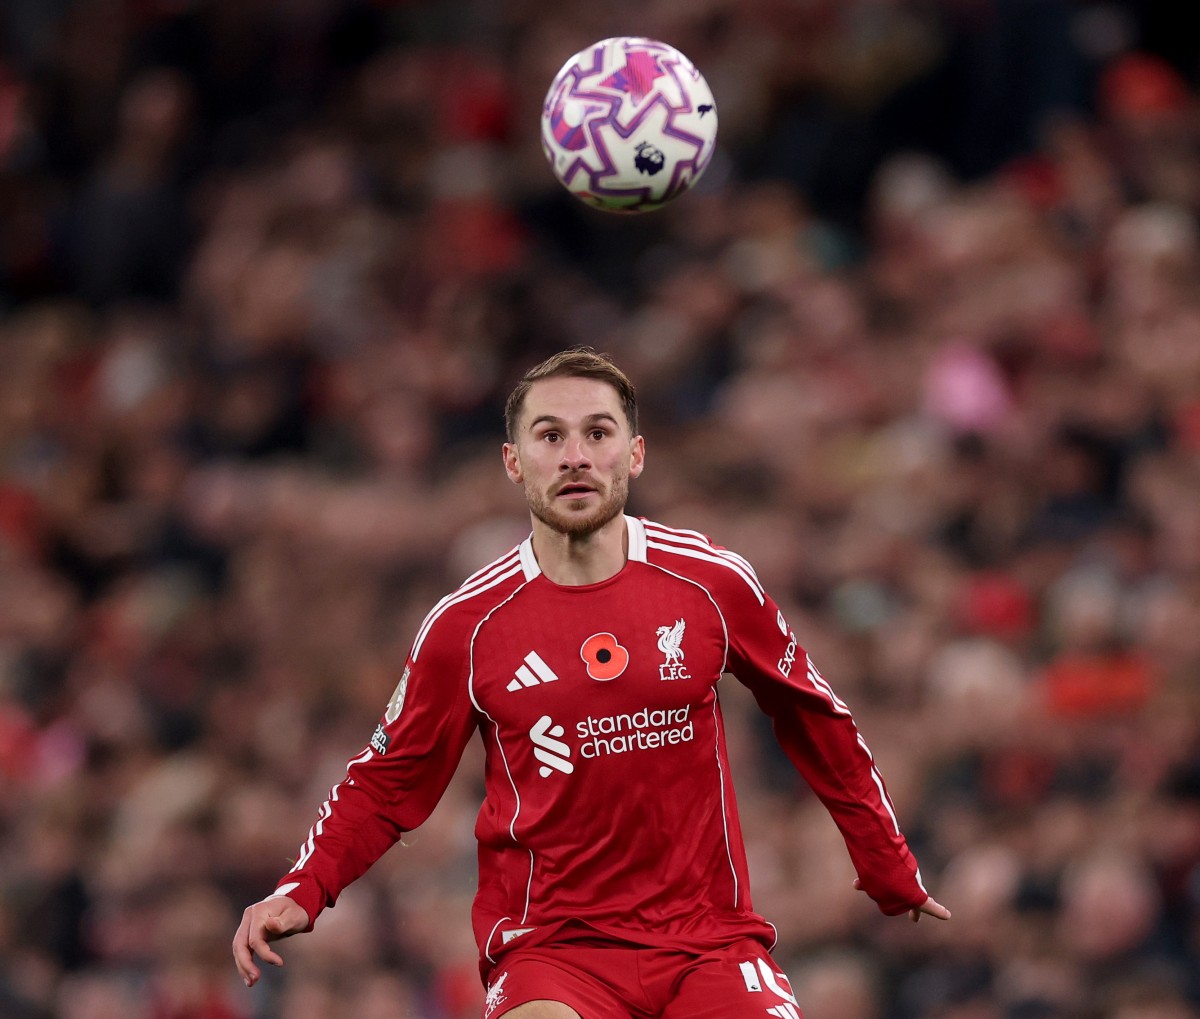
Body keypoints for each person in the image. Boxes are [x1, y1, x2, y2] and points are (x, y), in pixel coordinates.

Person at [232, 347, 950, 1018]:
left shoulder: (711, 583)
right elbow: (389, 780)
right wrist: (304, 887)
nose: (575, 455)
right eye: (550, 436)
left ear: (634, 453)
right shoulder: (467, 626)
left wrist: (885, 860)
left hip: (708, 940)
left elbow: (815, 718)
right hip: (551, 950)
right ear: (514, 462)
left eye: (598, 433)